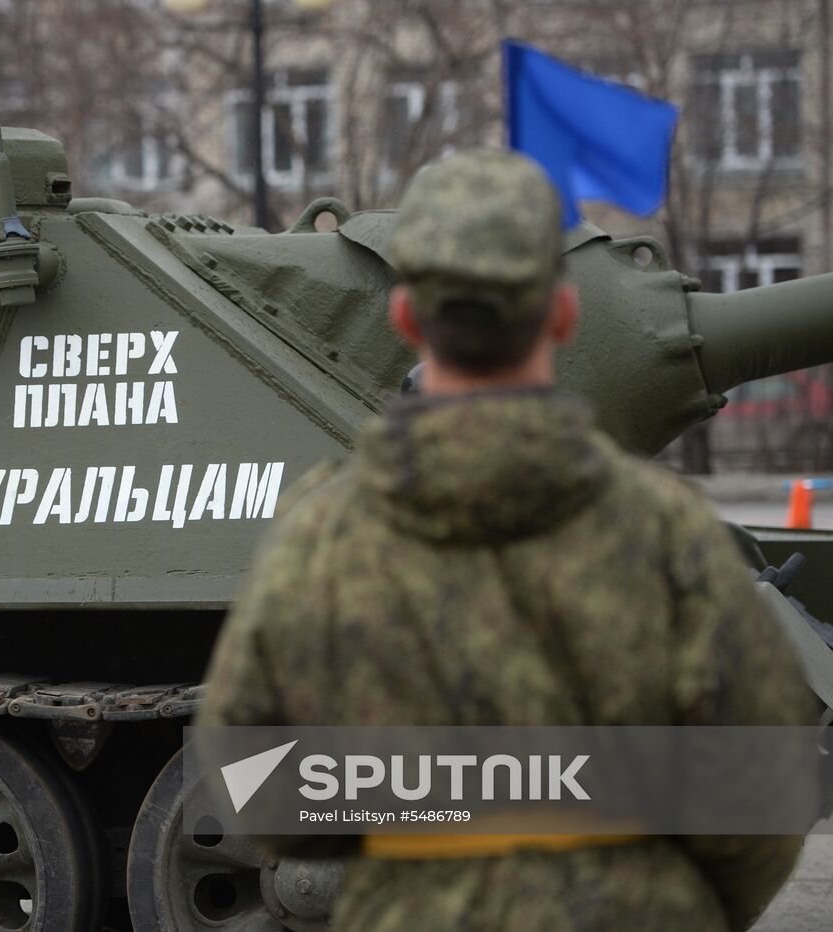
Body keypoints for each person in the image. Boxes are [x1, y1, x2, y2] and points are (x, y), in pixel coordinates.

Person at [197, 150, 811, 931]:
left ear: (407, 318)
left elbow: (254, 780)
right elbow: (762, 785)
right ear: (563, 313)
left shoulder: (321, 535)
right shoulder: (667, 532)